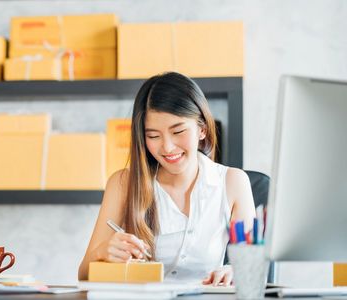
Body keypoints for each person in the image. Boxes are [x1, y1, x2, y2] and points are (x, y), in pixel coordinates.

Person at [78, 72, 256, 286]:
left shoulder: (233, 182)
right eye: (153, 136)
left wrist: (234, 271)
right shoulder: (123, 184)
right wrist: (103, 253)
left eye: (178, 131)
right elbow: (84, 275)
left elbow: (252, 269)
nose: (167, 147)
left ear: (202, 129)